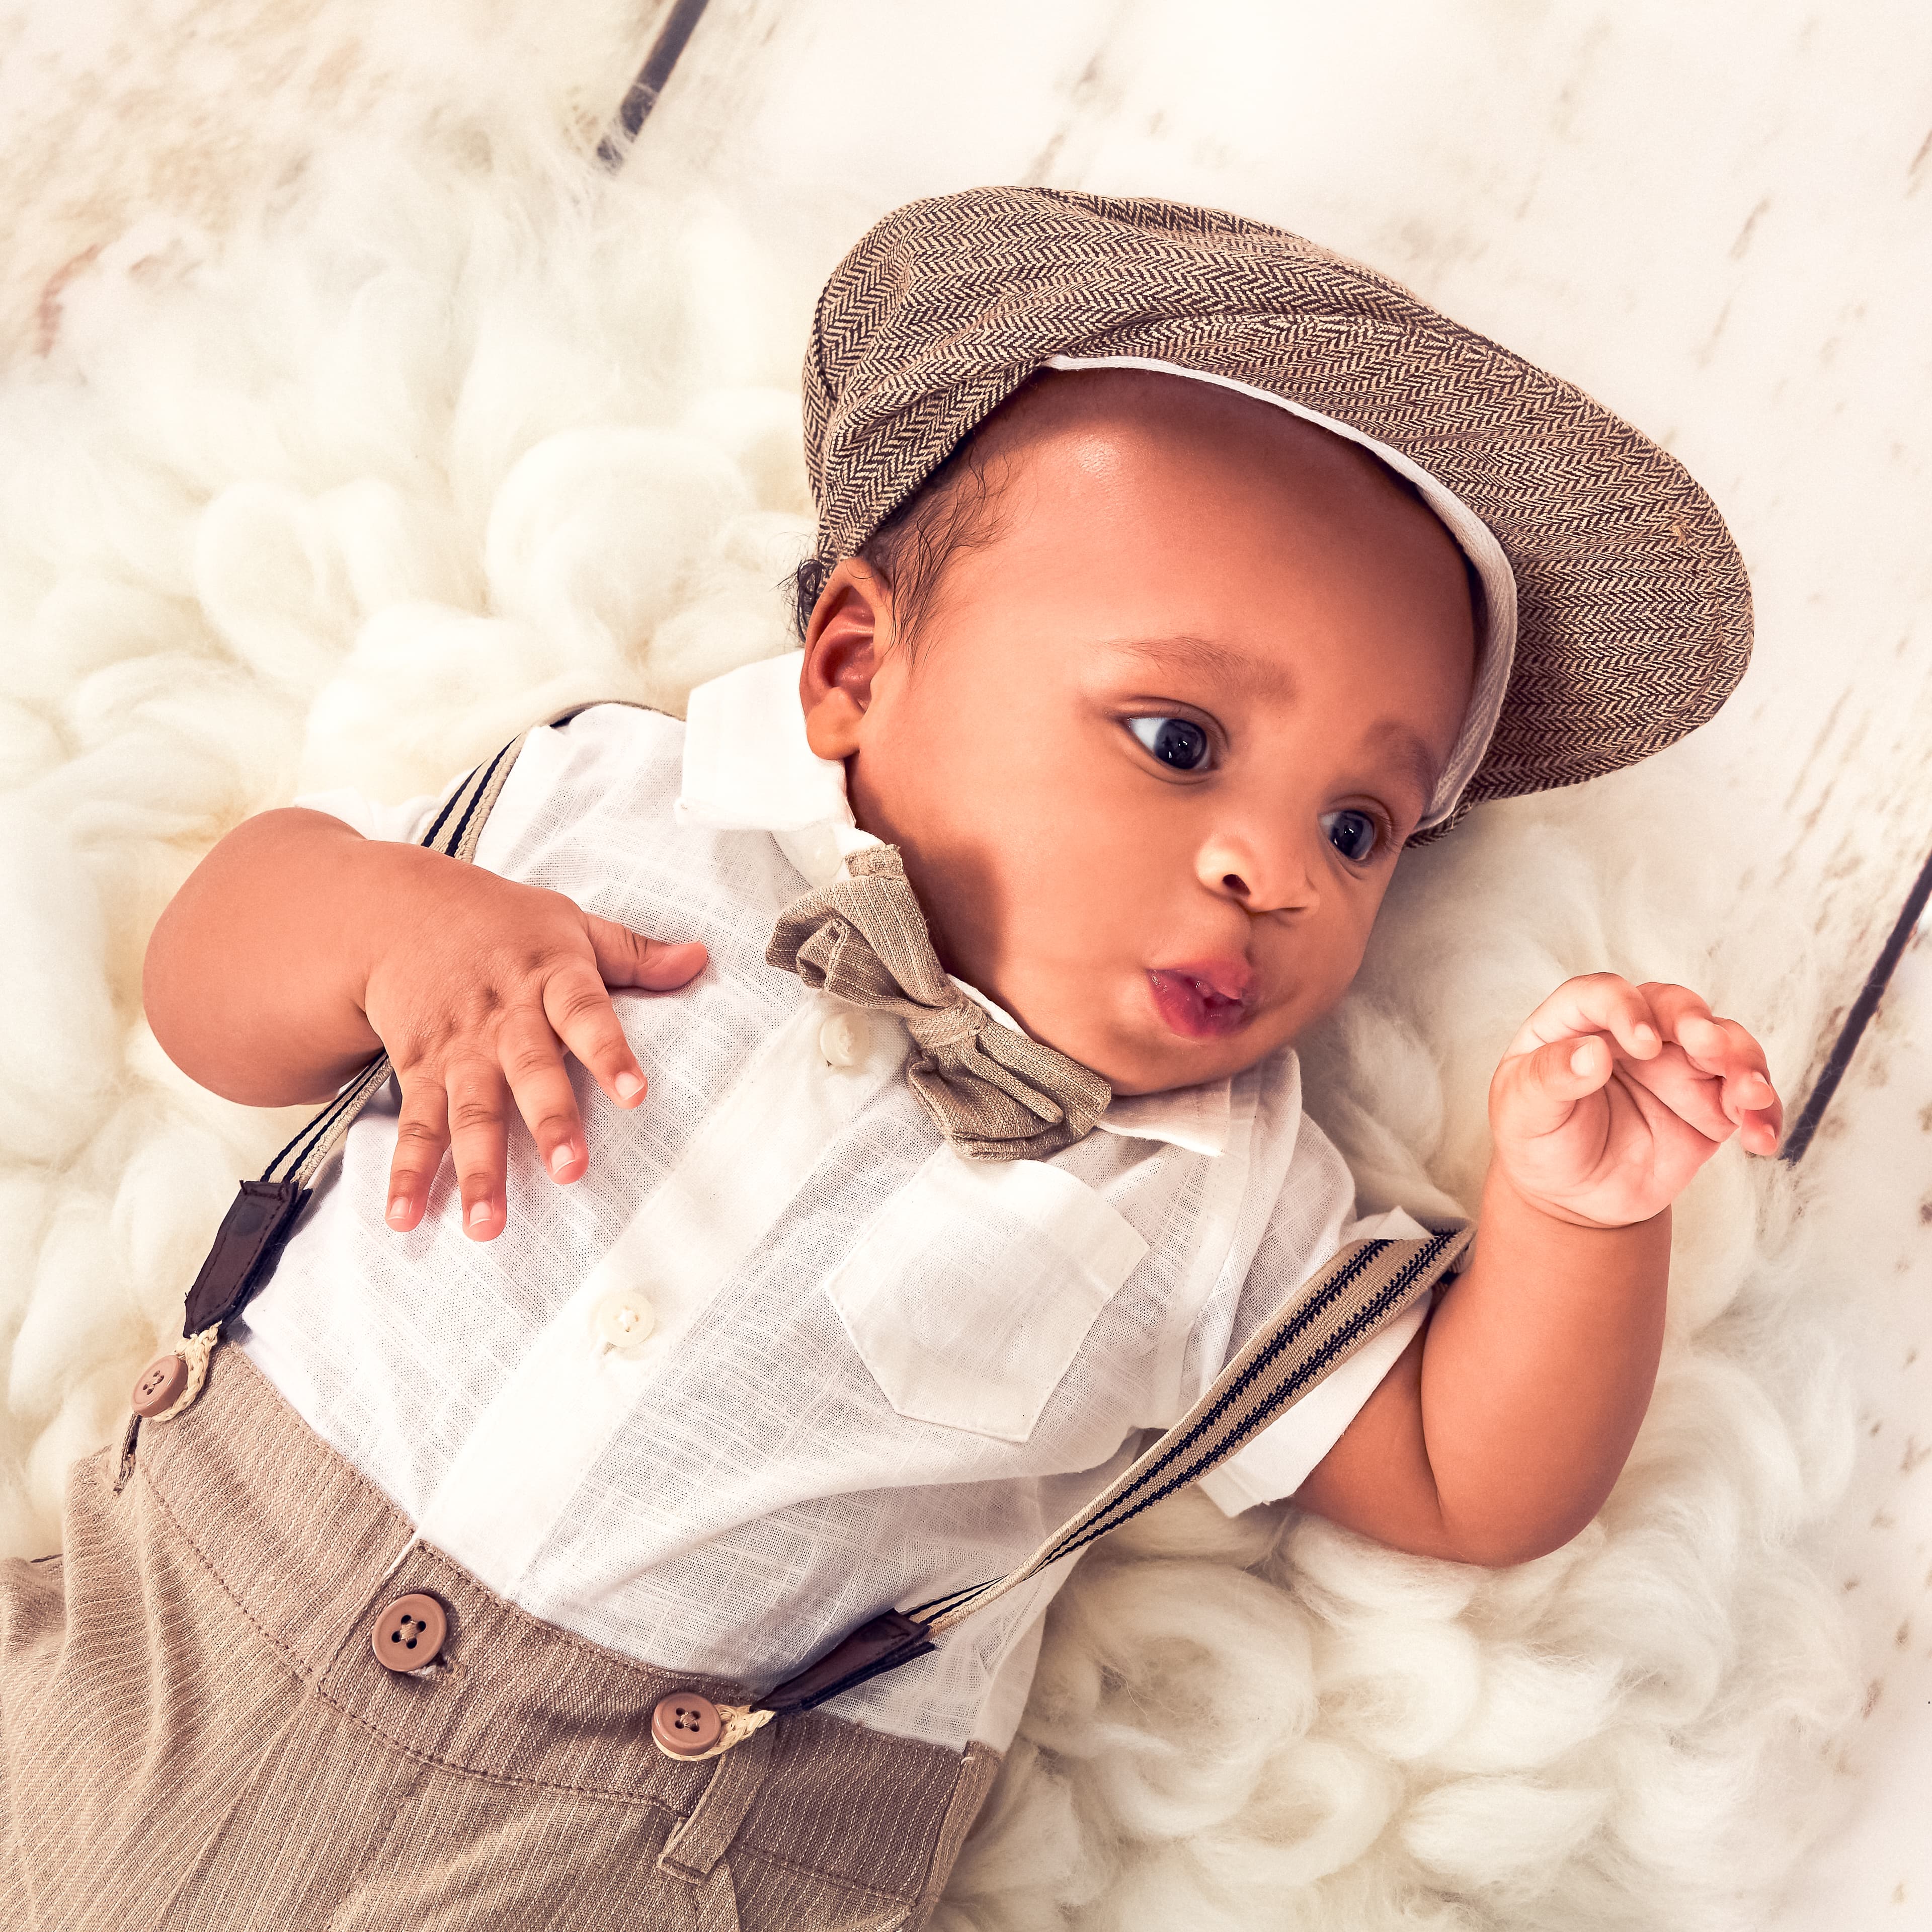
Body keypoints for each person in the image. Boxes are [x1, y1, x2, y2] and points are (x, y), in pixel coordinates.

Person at [3, 188, 1783, 1931]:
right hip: (150, 1660)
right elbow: (204, 989)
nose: (1273, 870)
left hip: (649, 1844)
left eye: (1359, 825)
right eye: (1177, 737)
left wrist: (1580, 1217)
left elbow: (1471, 1481)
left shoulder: (1220, 1186)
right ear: (854, 663)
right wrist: (389, 932)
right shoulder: (611, 809)